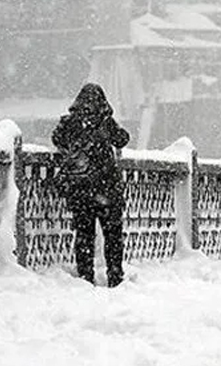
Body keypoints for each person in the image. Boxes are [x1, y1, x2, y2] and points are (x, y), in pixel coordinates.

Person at [50, 83, 132, 287]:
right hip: (106, 189)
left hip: (81, 190)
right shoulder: (105, 122)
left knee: (84, 236)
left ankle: (85, 276)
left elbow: (57, 139)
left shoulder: (70, 122)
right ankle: (115, 275)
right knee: (113, 236)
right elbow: (122, 139)